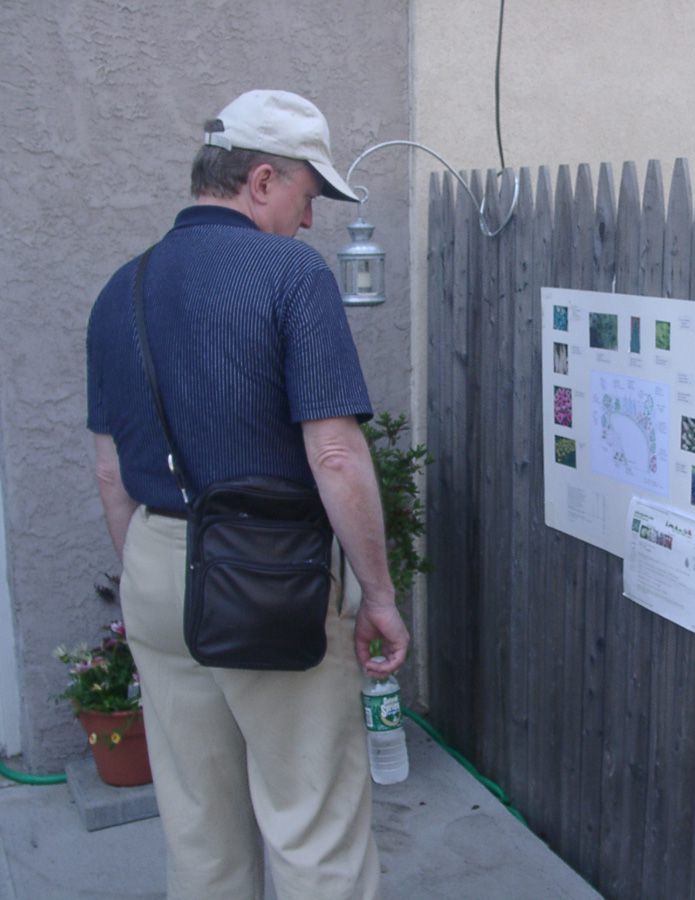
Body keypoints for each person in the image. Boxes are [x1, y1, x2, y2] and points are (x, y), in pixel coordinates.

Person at [85, 89, 408, 900]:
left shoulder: (119, 289)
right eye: (310, 195)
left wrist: (153, 573)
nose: (311, 221)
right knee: (313, 823)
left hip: (157, 568)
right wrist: (378, 594)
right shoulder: (292, 275)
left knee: (199, 828)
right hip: (270, 575)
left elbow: (108, 472)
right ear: (262, 179)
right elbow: (334, 452)